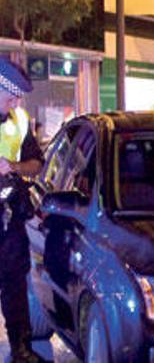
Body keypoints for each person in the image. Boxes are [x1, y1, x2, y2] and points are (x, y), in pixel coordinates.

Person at [0, 59, 45, 362]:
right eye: (11, 95)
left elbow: (37, 163)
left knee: (15, 283)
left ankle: (22, 349)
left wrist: (12, 166)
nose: (15, 103)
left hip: (9, 214)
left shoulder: (20, 120)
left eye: (18, 97)